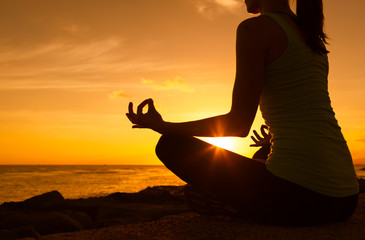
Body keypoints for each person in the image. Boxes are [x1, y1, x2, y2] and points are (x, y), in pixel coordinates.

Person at [126, 0, 359, 226]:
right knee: (264, 149)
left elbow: (237, 125)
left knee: (170, 145)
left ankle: (234, 207)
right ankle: (245, 196)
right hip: (346, 197)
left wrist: (163, 125)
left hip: (301, 200)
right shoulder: (311, 36)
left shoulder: (255, 28)